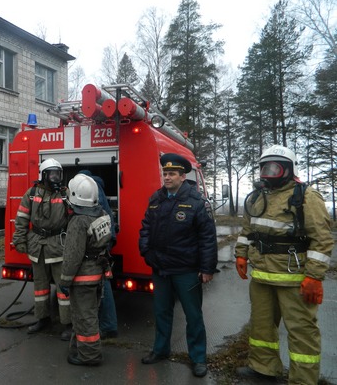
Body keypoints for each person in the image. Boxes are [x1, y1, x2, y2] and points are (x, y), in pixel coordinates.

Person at [234, 145, 334, 385]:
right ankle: (264, 368)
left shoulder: (306, 197)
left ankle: (303, 380)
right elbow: (247, 230)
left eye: (275, 167)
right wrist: (241, 254)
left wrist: (314, 277)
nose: (269, 172)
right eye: (265, 168)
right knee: (261, 327)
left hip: (294, 278)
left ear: (289, 169)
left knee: (301, 332)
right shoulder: (256, 197)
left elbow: (322, 239)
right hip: (261, 276)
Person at [138, 153, 217, 378]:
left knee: (193, 316)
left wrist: (207, 268)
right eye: (165, 173)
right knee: (161, 312)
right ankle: (160, 350)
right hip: (161, 268)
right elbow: (145, 227)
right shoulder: (156, 199)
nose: (167, 177)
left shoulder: (195, 202)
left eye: (172, 173)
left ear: (183, 177)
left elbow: (207, 238)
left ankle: (198, 358)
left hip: (186, 270)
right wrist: (146, 252)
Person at [12, 158, 72, 341]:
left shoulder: (65, 194)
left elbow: (74, 221)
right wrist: (19, 240)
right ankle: (42, 318)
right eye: (51, 174)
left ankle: (68, 323)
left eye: (58, 174)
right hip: (37, 245)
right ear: (44, 175)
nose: (55, 178)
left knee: (63, 288)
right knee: (40, 287)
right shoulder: (31, 194)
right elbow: (21, 218)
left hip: (58, 246)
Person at [59, 173, 113, 366]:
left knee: (85, 317)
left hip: (83, 278)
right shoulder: (103, 214)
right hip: (97, 274)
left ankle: (89, 356)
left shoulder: (79, 222)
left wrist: (64, 281)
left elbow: (72, 256)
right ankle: (79, 349)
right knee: (87, 315)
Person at [78, 170, 118, 340]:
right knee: (102, 282)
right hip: (104, 240)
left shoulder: (91, 189)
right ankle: (107, 324)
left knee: (102, 284)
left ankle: (108, 325)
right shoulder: (97, 187)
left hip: (97, 243)